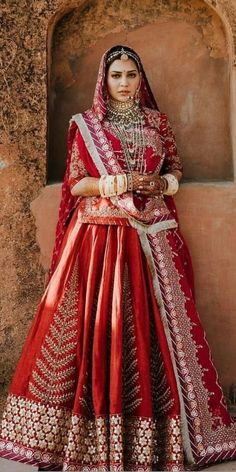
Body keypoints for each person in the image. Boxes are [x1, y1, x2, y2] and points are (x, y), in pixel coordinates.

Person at [0, 45, 236, 472]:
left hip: (154, 239)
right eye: (116, 76)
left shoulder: (156, 122)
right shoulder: (86, 126)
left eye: (131, 75)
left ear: (140, 79)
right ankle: (90, 437)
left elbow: (176, 167)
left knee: (152, 330)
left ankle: (164, 434)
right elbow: (75, 185)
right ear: (103, 81)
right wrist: (116, 182)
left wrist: (164, 183)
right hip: (101, 239)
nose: (124, 83)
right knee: (99, 328)